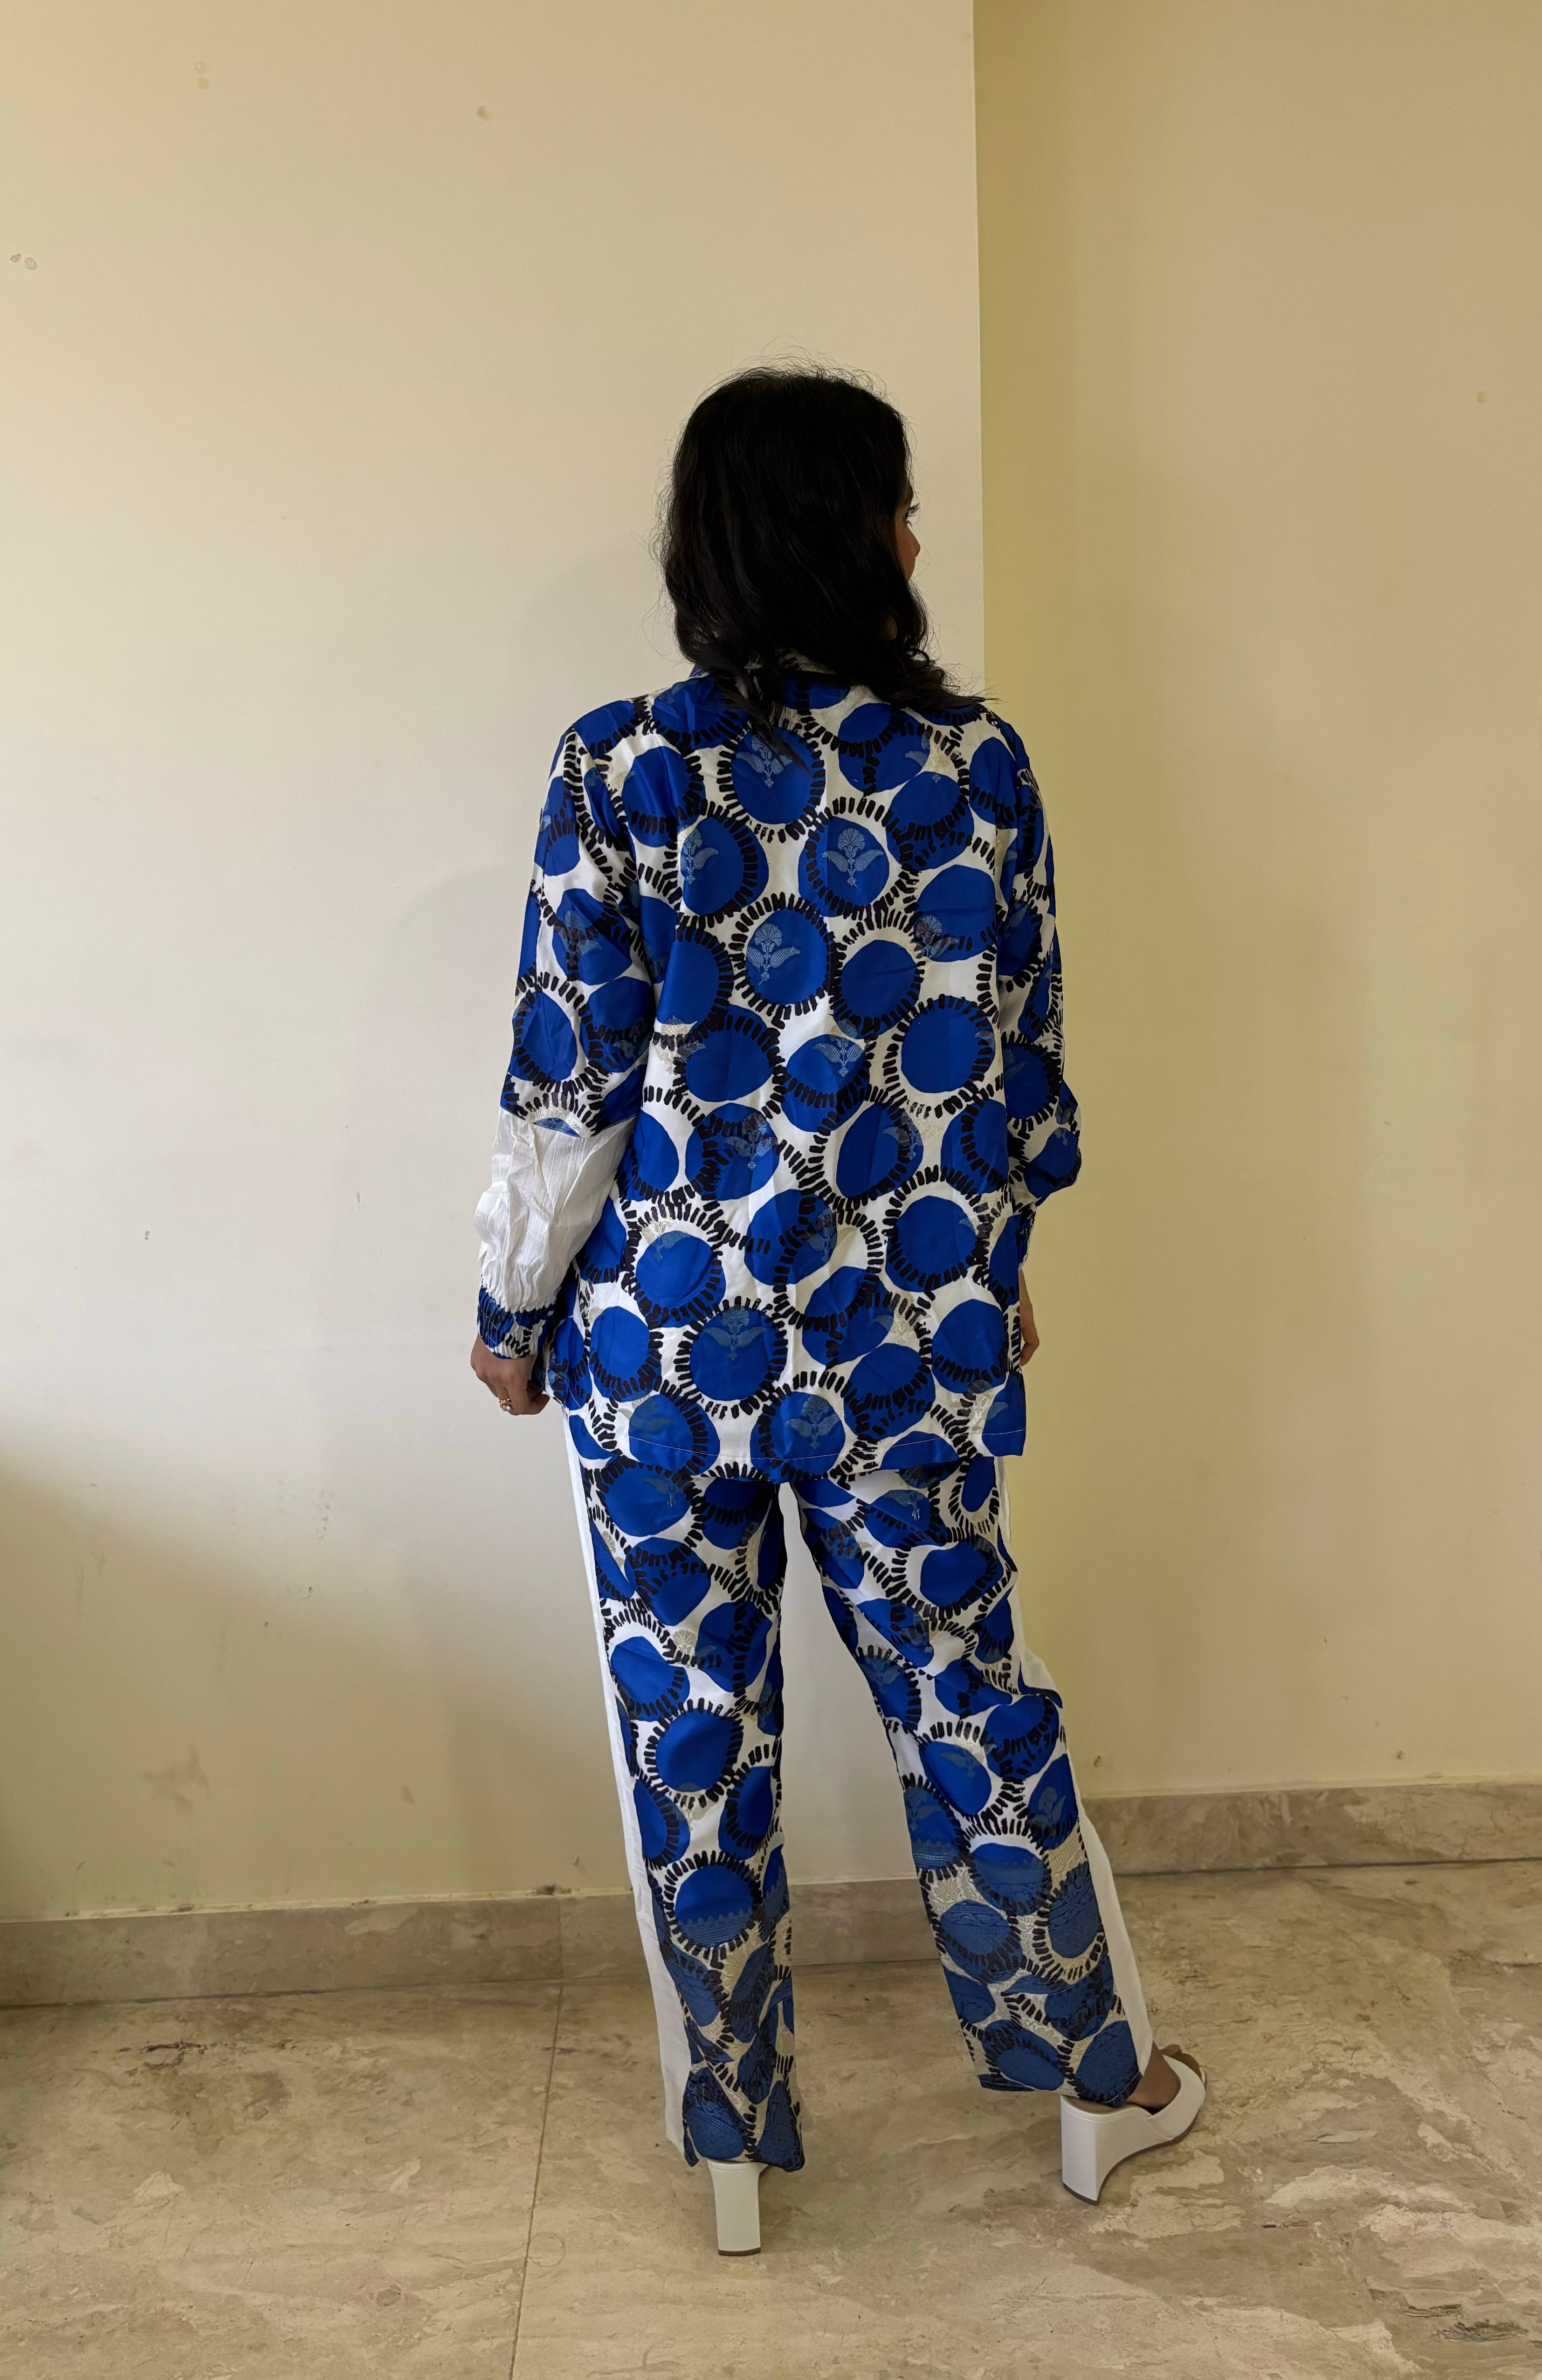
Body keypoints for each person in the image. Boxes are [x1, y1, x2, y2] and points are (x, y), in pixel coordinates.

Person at [470, 366, 1203, 2250]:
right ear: (853, 534)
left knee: (690, 1736)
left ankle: (733, 2145)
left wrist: (510, 1309)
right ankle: (1093, 2087)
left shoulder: (615, 767)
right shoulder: (977, 768)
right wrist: (987, 1270)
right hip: (898, 1345)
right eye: (897, 502)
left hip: (662, 1349)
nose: (914, 535)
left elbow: (569, 1087)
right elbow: (1016, 1073)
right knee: (969, 1702)